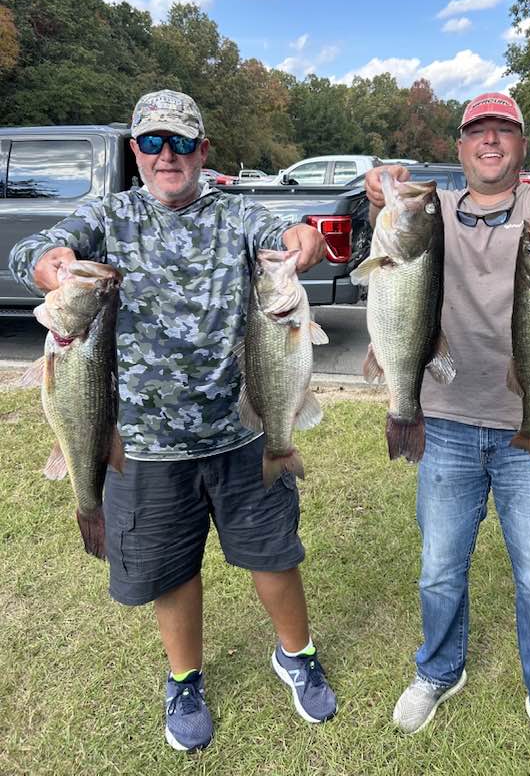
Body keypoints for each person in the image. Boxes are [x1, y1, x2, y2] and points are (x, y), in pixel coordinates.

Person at [10, 90, 337, 752]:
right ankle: (184, 677)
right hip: (146, 445)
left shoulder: (239, 215)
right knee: (172, 570)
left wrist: (304, 240)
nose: (167, 155)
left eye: (182, 142)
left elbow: (291, 238)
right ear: (135, 152)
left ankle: (294, 653)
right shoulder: (109, 215)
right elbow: (37, 250)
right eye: (153, 142)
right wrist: (49, 265)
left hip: (242, 434)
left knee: (273, 555)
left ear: (202, 151)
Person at [364, 92, 530, 776]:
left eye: (504, 131)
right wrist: (381, 181)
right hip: (448, 419)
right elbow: (384, 196)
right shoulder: (430, 212)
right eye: (477, 131)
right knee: (437, 569)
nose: (490, 141)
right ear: (459, 148)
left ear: (521, 145)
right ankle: (438, 671)